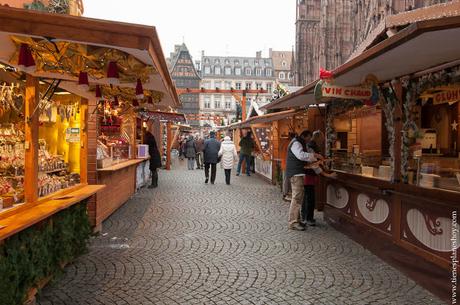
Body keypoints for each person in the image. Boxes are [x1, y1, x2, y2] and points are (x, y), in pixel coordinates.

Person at [285, 130, 324, 231]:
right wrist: (314, 156)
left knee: (299, 198)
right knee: (297, 198)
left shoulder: (298, 142)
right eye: (308, 138)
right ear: (304, 136)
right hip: (296, 173)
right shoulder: (296, 143)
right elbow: (301, 155)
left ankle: (297, 220)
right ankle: (293, 222)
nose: (309, 140)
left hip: (298, 173)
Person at [301, 131, 336, 226]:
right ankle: (308, 218)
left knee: (307, 197)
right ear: (318, 139)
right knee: (310, 198)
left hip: (307, 175)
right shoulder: (312, 148)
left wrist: (324, 167)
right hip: (308, 175)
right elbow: (314, 165)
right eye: (322, 139)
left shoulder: (310, 146)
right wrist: (327, 174)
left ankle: (304, 217)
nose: (323, 141)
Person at [144, 122, 162, 188]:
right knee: (154, 170)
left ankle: (154, 184)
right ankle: (155, 184)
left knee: (153, 170)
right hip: (155, 156)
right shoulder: (151, 137)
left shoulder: (149, 137)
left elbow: (146, 143)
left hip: (154, 157)